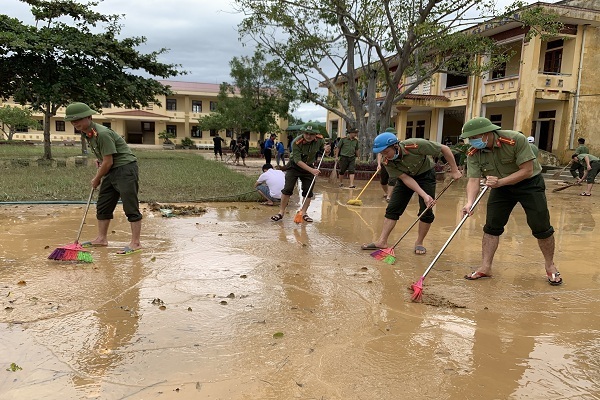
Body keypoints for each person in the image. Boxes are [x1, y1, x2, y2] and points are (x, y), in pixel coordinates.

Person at [459, 117, 561, 285]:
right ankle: (485, 267)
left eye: (474, 137)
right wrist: (470, 202)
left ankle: (550, 266)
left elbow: (527, 170)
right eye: (470, 139)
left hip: (529, 183)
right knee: (492, 226)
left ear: (487, 133)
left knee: (541, 226)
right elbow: (473, 180)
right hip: (501, 188)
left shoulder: (514, 140)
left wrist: (500, 182)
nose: (472, 142)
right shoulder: (474, 152)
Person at [361, 131, 462, 254]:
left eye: (386, 152)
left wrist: (454, 169)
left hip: (426, 175)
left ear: (395, 146)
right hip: (407, 179)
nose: (385, 155)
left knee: (426, 209)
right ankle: (382, 241)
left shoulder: (415, 145)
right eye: (382, 153)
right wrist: (423, 194)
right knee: (393, 208)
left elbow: (444, 149)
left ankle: (419, 243)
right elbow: (405, 178)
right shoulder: (387, 162)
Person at [64, 102, 142, 255]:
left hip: (125, 168)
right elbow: (106, 158)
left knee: (129, 204)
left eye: (78, 119)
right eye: (72, 121)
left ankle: (136, 243)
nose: (75, 123)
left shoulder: (103, 133)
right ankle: (101, 239)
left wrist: (97, 177)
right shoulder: (87, 132)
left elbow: (109, 161)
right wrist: (100, 159)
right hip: (110, 169)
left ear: (89, 117)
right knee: (103, 204)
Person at [271, 123, 331, 222]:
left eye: (311, 134)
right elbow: (298, 161)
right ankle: (281, 212)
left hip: (309, 166)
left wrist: (327, 150)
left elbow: (324, 151)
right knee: (287, 189)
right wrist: (312, 170)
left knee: (308, 192)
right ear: (303, 132)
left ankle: (303, 213)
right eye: (306, 133)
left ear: (316, 134)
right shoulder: (296, 142)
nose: (308, 136)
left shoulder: (320, 140)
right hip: (294, 166)